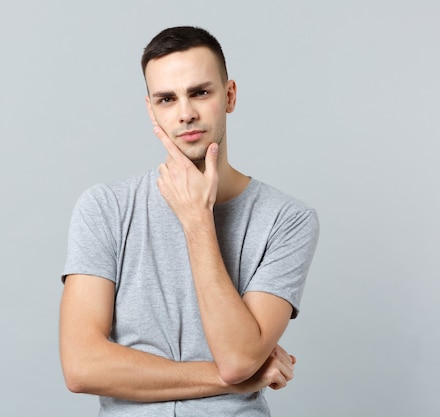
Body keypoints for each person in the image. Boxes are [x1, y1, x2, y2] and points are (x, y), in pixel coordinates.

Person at [59, 26, 319, 416]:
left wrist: (197, 219)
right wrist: (236, 377)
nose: (186, 114)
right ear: (152, 109)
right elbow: (81, 367)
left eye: (200, 92)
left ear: (229, 96)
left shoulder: (287, 219)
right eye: (167, 99)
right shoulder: (104, 207)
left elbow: (237, 357)